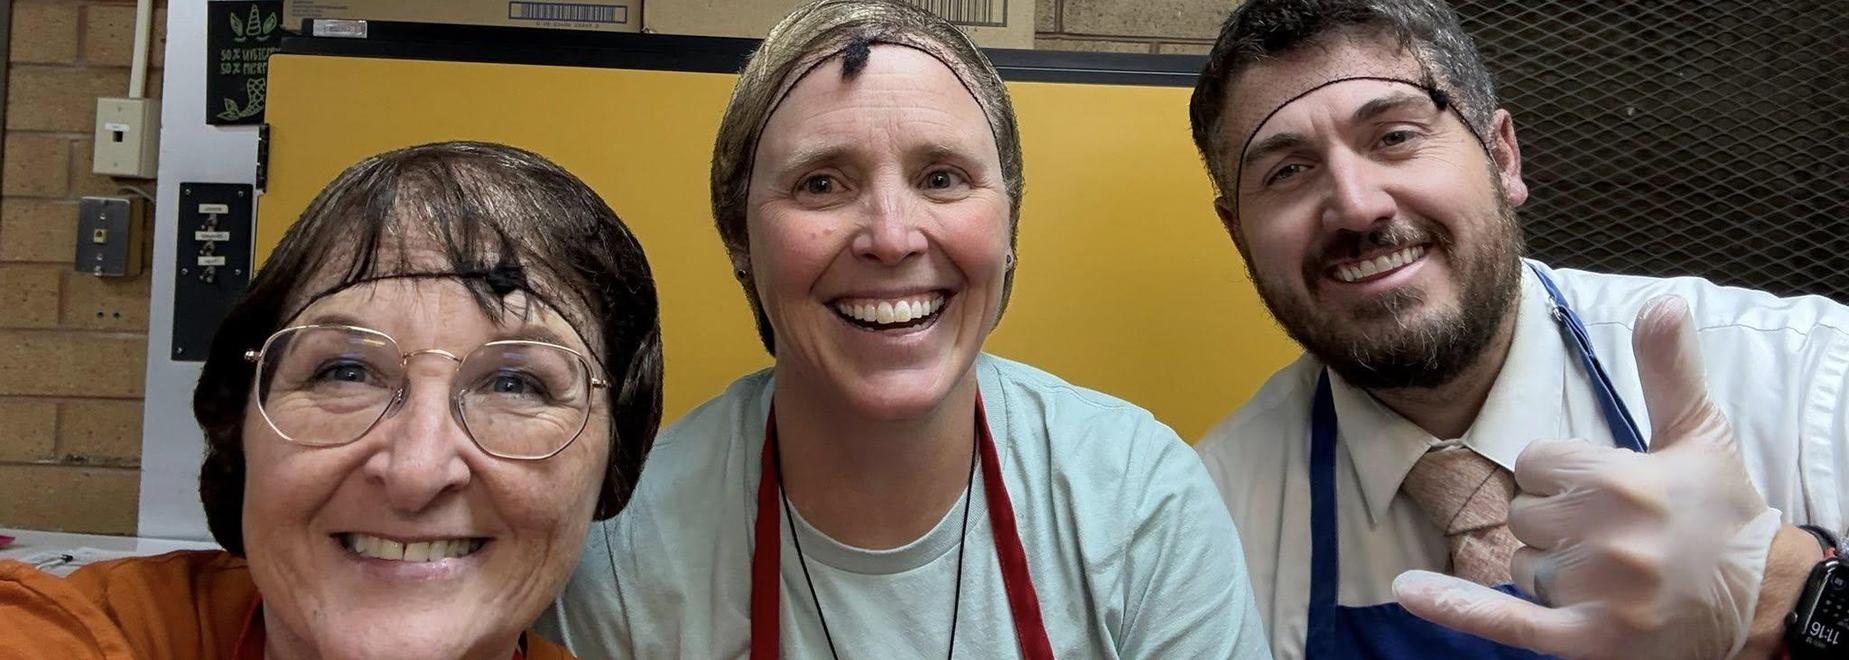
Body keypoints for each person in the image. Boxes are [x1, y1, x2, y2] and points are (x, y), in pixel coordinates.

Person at [539, 1, 1269, 657]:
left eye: (942, 178)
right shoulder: (622, 547)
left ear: (1008, 221)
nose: (891, 238)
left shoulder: (1138, 500)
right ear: (738, 233)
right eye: (820, 182)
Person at [1186, 1, 1849, 658]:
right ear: (1236, 234)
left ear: (1502, 157)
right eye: (1286, 171)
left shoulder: (1807, 382)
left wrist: (1795, 598)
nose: (1356, 207)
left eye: (1395, 136)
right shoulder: (1210, 517)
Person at [0, 141, 664, 660]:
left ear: (614, 462)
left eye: (517, 384)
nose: (416, 471)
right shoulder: (74, 633)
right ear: (238, 425)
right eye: (345, 372)